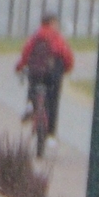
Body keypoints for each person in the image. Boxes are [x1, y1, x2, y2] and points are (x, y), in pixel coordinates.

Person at [16, 10, 73, 142]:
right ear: (52, 23)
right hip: (53, 73)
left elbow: (26, 52)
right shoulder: (57, 37)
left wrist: (19, 66)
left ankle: (31, 104)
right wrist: (67, 68)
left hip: (36, 72)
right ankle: (50, 135)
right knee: (52, 102)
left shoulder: (36, 36)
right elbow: (66, 54)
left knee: (33, 86)